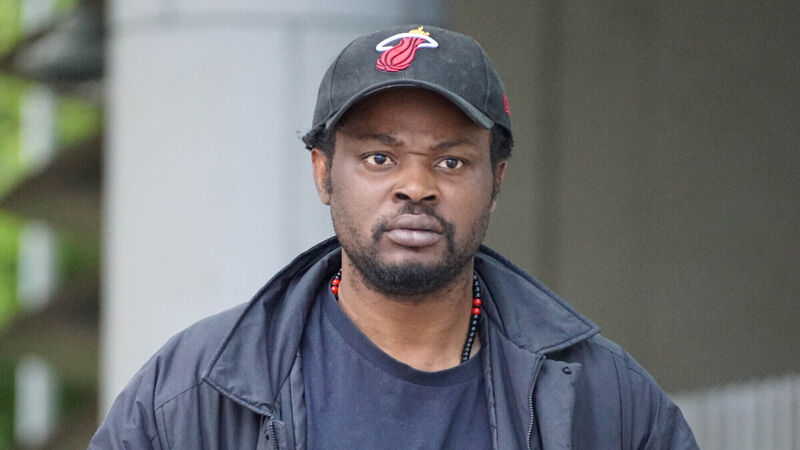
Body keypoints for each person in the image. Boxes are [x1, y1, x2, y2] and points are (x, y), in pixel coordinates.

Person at [90, 25, 698, 449]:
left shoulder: (602, 399)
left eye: (451, 161)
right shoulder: (197, 390)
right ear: (323, 173)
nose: (416, 186)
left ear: (496, 182)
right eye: (379, 158)